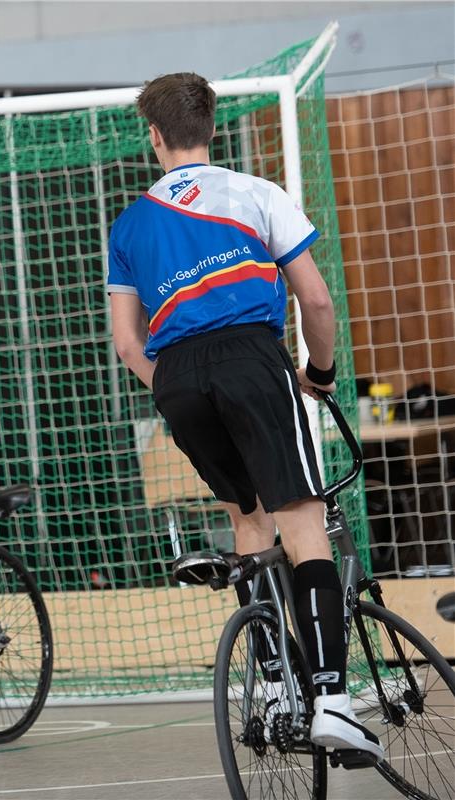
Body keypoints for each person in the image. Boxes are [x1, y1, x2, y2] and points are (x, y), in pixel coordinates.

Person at [106, 73, 383, 759]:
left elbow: (125, 343)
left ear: (156, 136)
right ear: (211, 127)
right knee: (301, 521)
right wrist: (318, 374)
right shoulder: (255, 192)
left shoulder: (128, 223)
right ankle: (333, 701)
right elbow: (315, 302)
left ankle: (277, 686)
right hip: (251, 357)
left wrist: (171, 381)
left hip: (177, 375)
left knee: (247, 523)